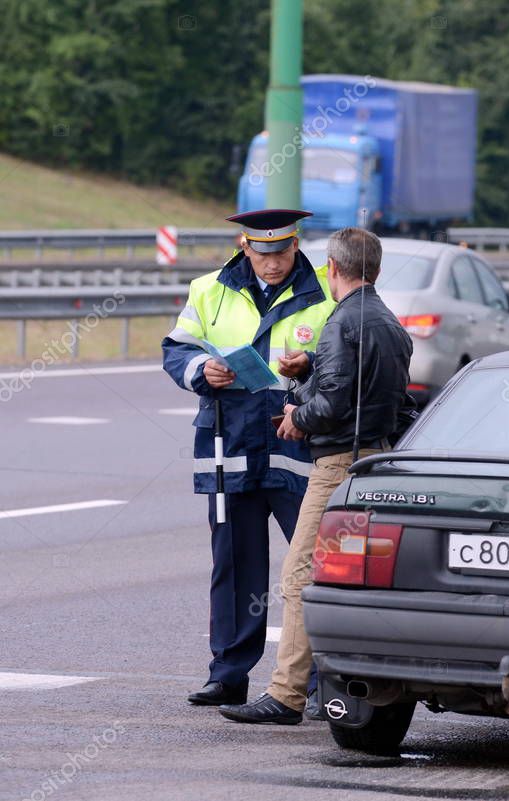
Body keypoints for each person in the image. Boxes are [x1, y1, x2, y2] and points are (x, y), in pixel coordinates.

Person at [219, 227, 416, 725]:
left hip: (335, 466)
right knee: (350, 581)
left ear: (333, 267)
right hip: (376, 461)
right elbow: (384, 400)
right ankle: (342, 686)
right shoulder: (389, 323)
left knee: (300, 576)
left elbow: (334, 402)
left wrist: (296, 415)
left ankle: (286, 695)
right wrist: (310, 367)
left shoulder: (342, 320)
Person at [162, 209, 335, 708]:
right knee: (234, 566)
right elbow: (177, 348)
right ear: (244, 246)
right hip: (229, 445)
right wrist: (201, 369)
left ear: (295, 245)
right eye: (263, 254)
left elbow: (347, 356)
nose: (273, 264)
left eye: (282, 253)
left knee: (315, 568)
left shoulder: (324, 290)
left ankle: (324, 679)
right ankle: (228, 673)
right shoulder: (209, 289)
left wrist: (311, 364)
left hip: (296, 446)